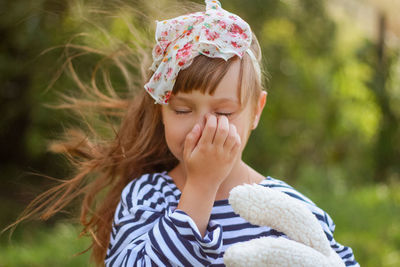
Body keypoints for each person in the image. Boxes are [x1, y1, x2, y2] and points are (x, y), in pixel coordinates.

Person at [8, 0, 359, 266]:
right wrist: (200, 188)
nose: (203, 127)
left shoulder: (285, 208)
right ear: (161, 111)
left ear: (256, 111)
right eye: (182, 110)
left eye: (223, 112)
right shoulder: (147, 197)